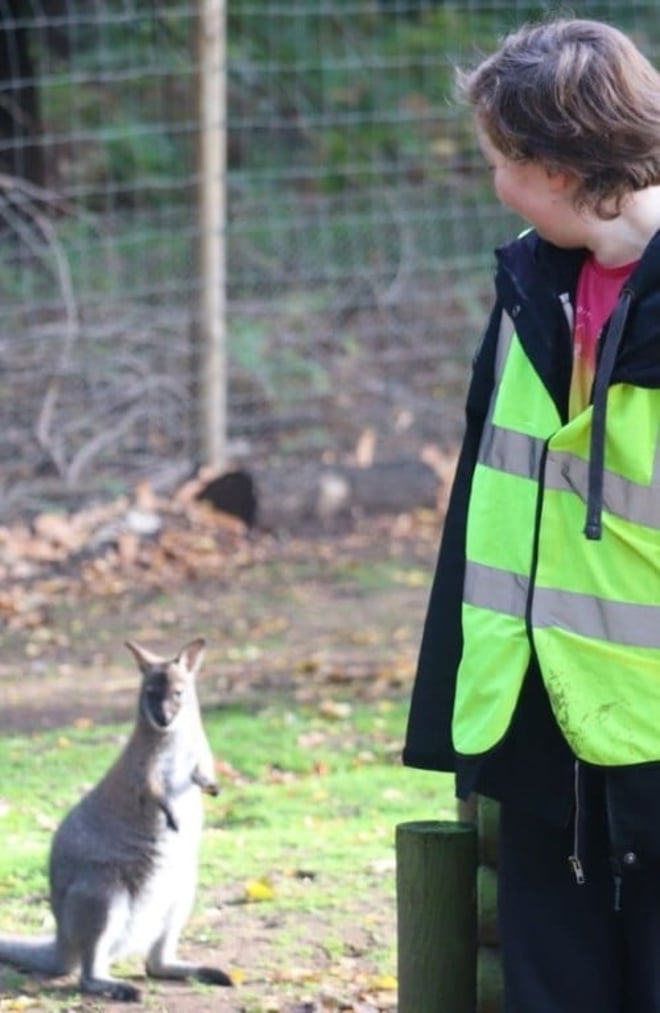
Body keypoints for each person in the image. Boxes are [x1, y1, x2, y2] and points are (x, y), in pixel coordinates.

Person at [403, 18, 660, 1012]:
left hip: (649, 731)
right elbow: (482, 505)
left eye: (504, 161)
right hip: (534, 714)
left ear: (558, 163)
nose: (497, 183)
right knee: (546, 980)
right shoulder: (527, 285)